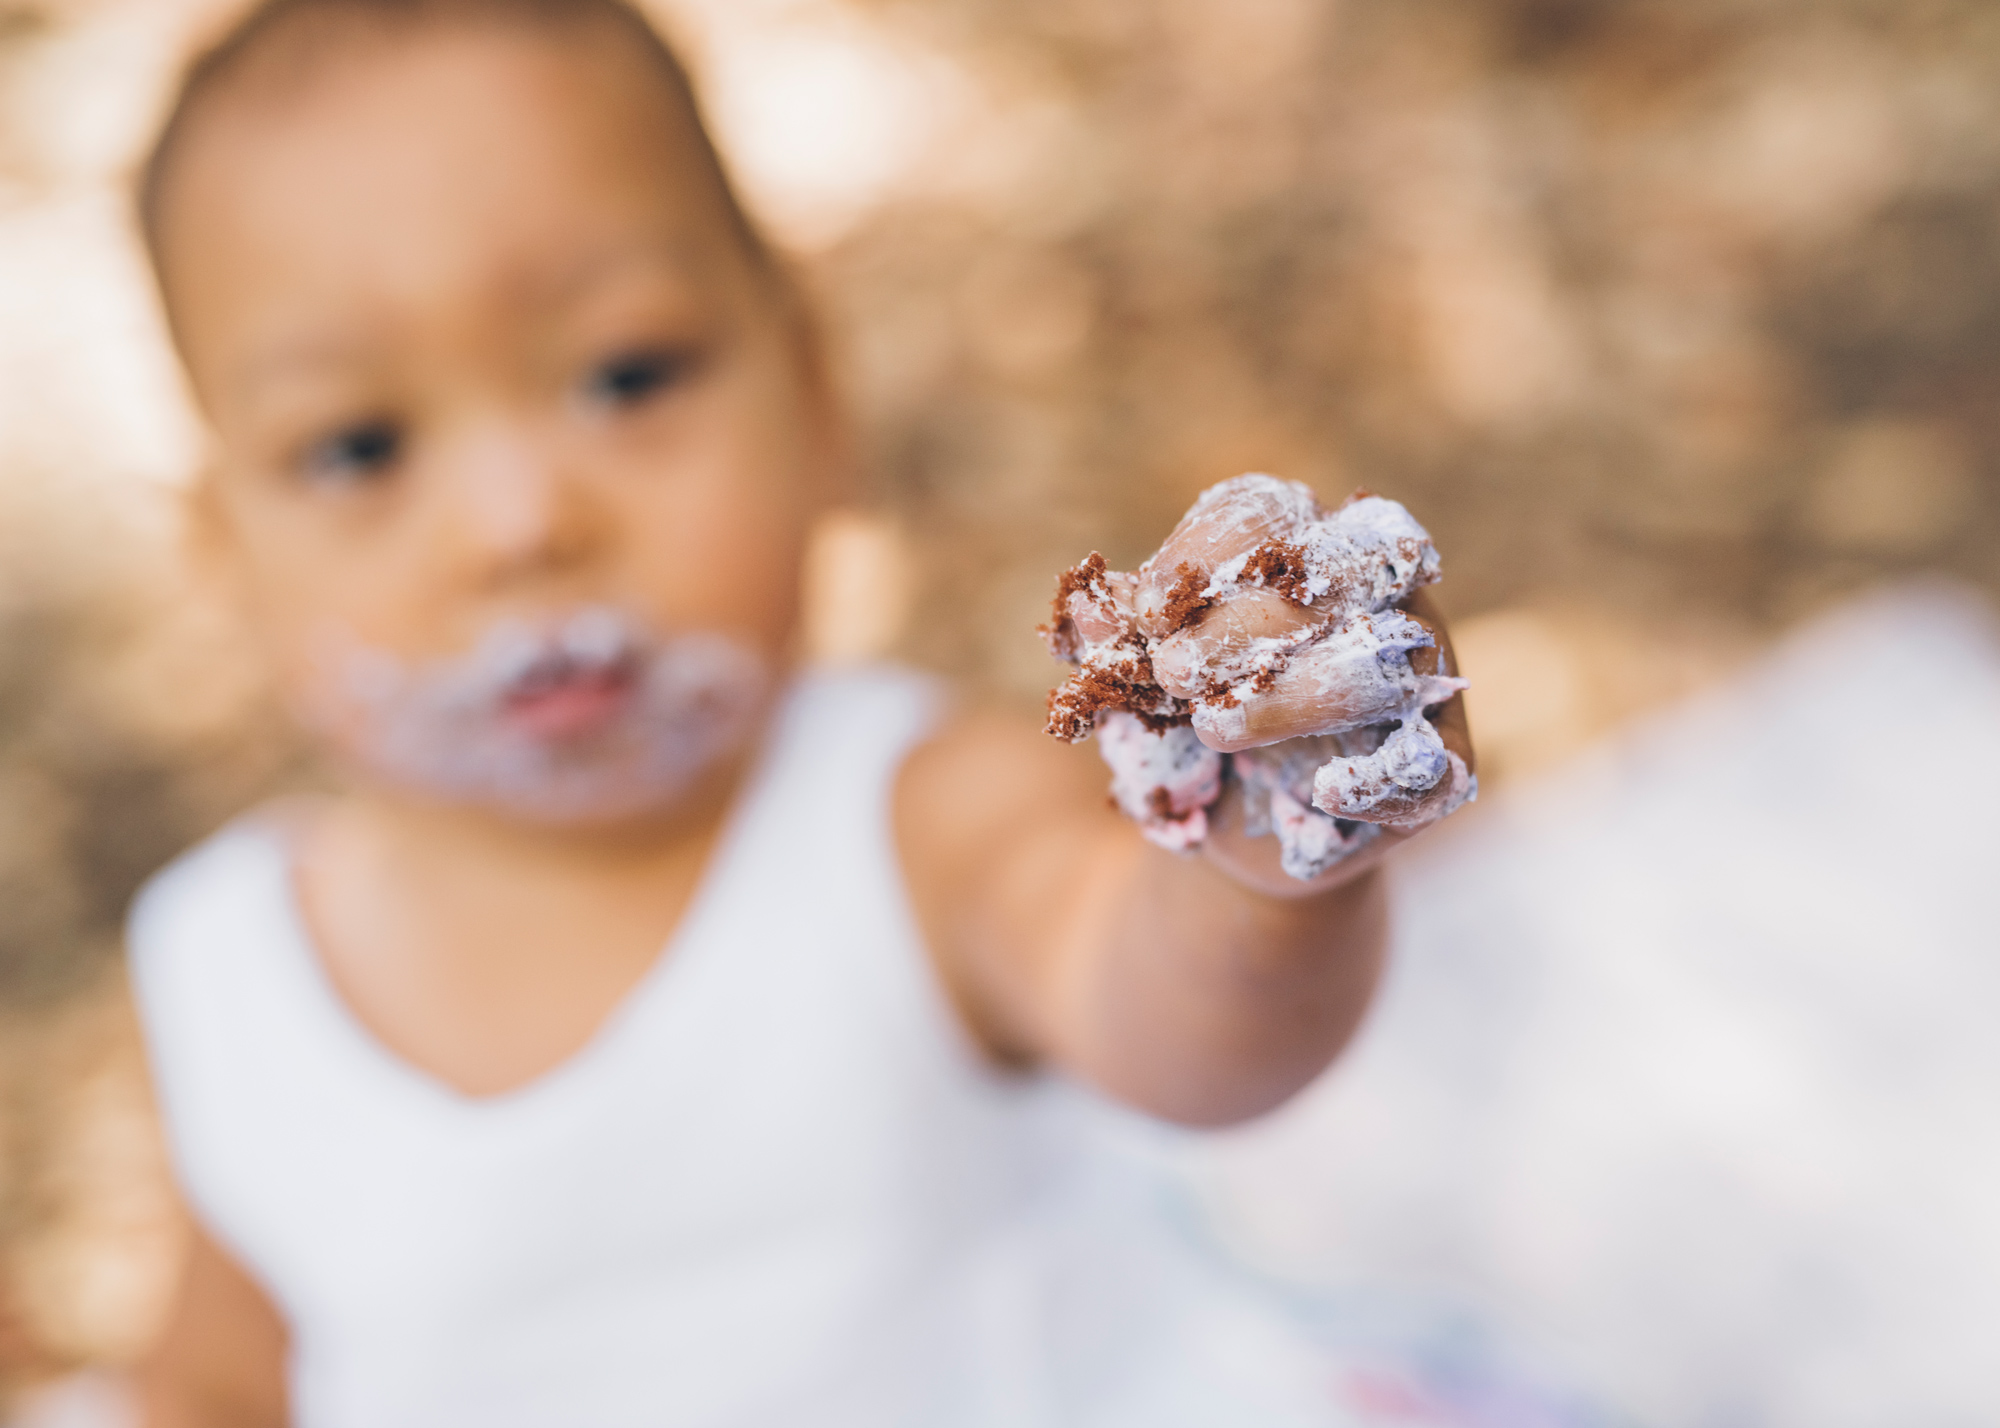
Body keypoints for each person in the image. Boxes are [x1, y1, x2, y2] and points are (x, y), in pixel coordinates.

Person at [124, 2, 1501, 1424]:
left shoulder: (912, 822)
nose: (518, 523)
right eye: (360, 446)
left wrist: (1266, 858)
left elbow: (1174, 1023)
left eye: (625, 376)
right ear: (223, 560)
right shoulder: (229, 970)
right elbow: (218, 1384)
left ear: (818, 397)